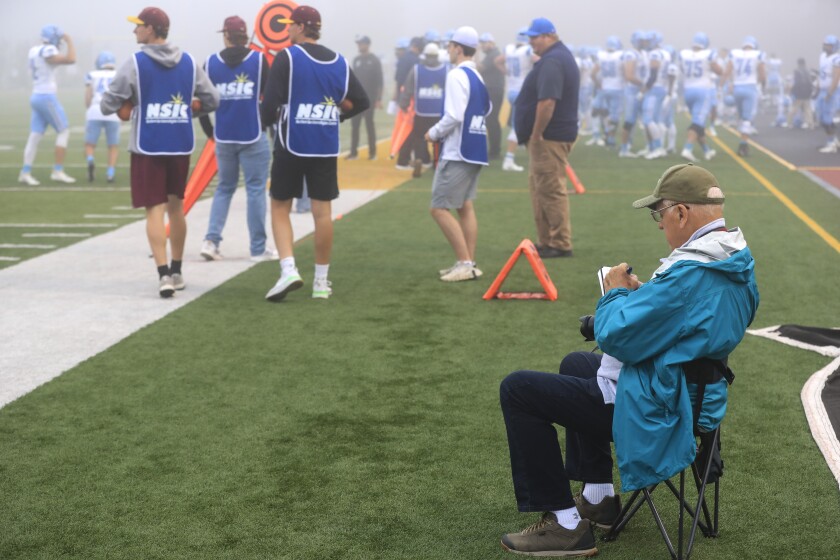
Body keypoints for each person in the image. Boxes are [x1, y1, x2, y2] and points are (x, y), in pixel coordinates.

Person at [499, 163, 759, 557]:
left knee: (518, 388)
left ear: (682, 213)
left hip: (660, 406)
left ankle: (566, 526)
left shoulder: (689, 273)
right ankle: (599, 496)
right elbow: (690, 320)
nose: (659, 224)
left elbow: (616, 335)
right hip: (701, 395)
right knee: (576, 363)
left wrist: (615, 292)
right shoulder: (736, 260)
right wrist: (648, 295)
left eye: (660, 214)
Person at [101, 7, 219, 298]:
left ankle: (163, 274)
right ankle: (177, 271)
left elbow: (107, 104)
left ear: (151, 29)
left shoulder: (135, 63)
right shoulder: (189, 62)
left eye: (138, 26)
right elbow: (212, 99)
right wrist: (187, 110)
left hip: (147, 145)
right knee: (176, 206)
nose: (134, 31)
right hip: (179, 143)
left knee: (154, 209)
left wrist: (129, 104)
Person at [260, 5, 369, 301]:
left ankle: (288, 269)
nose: (286, 30)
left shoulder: (287, 57)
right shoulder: (340, 61)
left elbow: (270, 105)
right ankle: (321, 282)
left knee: (280, 206)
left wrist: (263, 122)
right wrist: (335, 115)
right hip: (324, 144)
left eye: (289, 25)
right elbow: (361, 101)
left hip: (291, 142)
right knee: (323, 213)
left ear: (299, 27)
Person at [198, 16, 274, 263]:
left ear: (226, 36)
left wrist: (210, 131)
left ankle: (211, 241)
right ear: (245, 35)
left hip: (224, 137)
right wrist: (264, 124)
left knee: (224, 189)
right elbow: (271, 98)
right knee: (255, 191)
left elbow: (199, 102)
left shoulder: (210, 63)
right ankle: (257, 248)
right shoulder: (259, 60)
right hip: (253, 134)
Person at [423, 26, 490, 282]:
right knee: (464, 206)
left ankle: (465, 263)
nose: (447, 50)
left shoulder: (456, 75)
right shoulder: (477, 76)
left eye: (450, 45)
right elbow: (486, 109)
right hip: (476, 148)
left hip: (457, 150)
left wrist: (433, 133)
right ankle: (468, 263)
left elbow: (453, 115)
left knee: (439, 208)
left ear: (458, 48)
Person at [514, 17, 579, 260]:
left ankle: (560, 243)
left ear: (549, 35)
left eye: (534, 37)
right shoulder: (556, 58)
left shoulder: (553, 60)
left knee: (550, 189)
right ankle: (547, 240)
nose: (531, 42)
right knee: (541, 188)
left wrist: (537, 132)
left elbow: (547, 101)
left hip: (549, 136)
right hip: (550, 135)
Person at [19, 25, 77, 186]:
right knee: (64, 131)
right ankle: (57, 171)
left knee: (35, 135)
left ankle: (25, 171)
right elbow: (71, 59)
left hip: (36, 95)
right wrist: (70, 40)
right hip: (46, 97)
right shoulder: (48, 50)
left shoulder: (34, 50)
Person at [397, 42, 447, 176]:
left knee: (419, 137)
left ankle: (421, 159)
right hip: (439, 111)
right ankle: (437, 162)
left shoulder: (416, 69)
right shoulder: (446, 70)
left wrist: (404, 104)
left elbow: (408, 89)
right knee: (439, 138)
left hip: (421, 111)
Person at [678, 32, 723, 162]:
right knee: (697, 122)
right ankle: (687, 148)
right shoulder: (708, 54)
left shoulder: (684, 54)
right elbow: (719, 71)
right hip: (704, 90)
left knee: (699, 122)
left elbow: (682, 70)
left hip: (688, 90)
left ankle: (706, 150)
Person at [499, 28, 534, 171]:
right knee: (519, 126)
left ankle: (521, 152)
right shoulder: (528, 50)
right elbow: (540, 61)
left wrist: (508, 73)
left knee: (519, 123)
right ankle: (508, 159)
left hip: (512, 90)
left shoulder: (510, 49)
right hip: (522, 91)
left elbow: (498, 61)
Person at [726, 36, 766, 157]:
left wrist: (730, 84)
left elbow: (728, 70)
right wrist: (761, 84)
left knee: (742, 117)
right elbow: (763, 75)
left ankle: (743, 139)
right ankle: (743, 145)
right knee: (747, 119)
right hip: (750, 87)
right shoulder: (758, 54)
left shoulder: (735, 54)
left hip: (737, 87)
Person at [84, 51, 120, 183]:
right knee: (113, 145)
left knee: (90, 144)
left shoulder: (92, 75)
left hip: (95, 109)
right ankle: (110, 173)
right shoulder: (118, 74)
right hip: (113, 111)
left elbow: (88, 96)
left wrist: (89, 109)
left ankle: (90, 160)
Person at [347, 35, 383, 161]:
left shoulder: (374, 60)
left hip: (369, 99)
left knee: (369, 125)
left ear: (367, 44)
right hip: (356, 99)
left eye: (361, 44)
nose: (359, 46)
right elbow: (352, 80)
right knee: (354, 126)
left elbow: (380, 81)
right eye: (358, 44)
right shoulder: (356, 60)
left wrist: (378, 99)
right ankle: (353, 153)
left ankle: (372, 153)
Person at [479, 32, 504, 161]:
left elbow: (479, 68)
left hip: (493, 90)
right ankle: (494, 149)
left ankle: (495, 151)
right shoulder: (492, 54)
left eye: (484, 43)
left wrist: (471, 57)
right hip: (493, 90)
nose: (482, 45)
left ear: (491, 43)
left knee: (492, 120)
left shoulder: (492, 54)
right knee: (491, 120)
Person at [815, 35, 840, 153]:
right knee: (820, 118)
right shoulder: (822, 56)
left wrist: (830, 91)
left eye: (829, 45)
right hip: (823, 90)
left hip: (832, 91)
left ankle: (831, 144)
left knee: (827, 118)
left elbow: (836, 76)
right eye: (825, 44)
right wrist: (818, 88)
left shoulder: (837, 58)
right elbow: (821, 74)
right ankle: (834, 140)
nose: (826, 47)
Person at [787, 57, 815, 129]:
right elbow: (810, 82)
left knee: (794, 108)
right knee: (807, 109)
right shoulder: (807, 71)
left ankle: (789, 123)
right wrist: (810, 91)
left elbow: (796, 82)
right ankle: (810, 124)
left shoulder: (797, 71)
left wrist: (792, 91)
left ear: (798, 63)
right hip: (807, 93)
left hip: (799, 93)